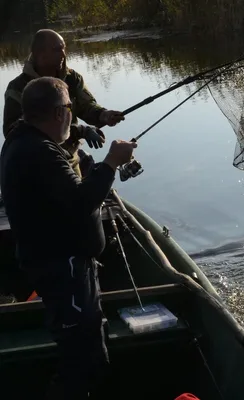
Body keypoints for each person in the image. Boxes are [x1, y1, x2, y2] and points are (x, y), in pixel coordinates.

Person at [0, 76, 137, 399]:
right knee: (81, 362)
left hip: (65, 266)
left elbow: (63, 194)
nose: (71, 116)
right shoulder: (40, 153)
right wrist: (110, 164)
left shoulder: (23, 139)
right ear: (60, 112)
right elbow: (81, 203)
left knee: (90, 350)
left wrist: (83, 138)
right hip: (64, 269)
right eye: (70, 111)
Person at [2, 28, 125, 176]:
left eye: (64, 48)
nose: (63, 54)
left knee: (81, 194)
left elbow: (86, 106)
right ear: (40, 54)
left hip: (70, 155)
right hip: (37, 162)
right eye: (57, 50)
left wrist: (103, 115)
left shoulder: (72, 78)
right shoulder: (17, 88)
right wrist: (81, 131)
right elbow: (12, 132)